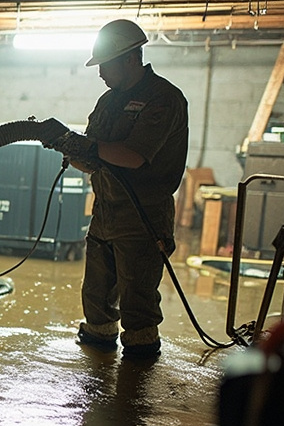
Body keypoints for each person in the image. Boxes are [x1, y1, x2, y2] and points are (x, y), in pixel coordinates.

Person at [47, 19, 189, 359]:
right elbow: (93, 160)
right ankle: (98, 347)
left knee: (137, 300)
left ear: (130, 59)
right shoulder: (108, 102)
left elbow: (134, 156)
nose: (100, 74)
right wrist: (67, 147)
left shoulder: (163, 99)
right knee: (96, 295)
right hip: (106, 211)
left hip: (142, 217)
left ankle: (135, 380)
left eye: (105, 65)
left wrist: (86, 145)